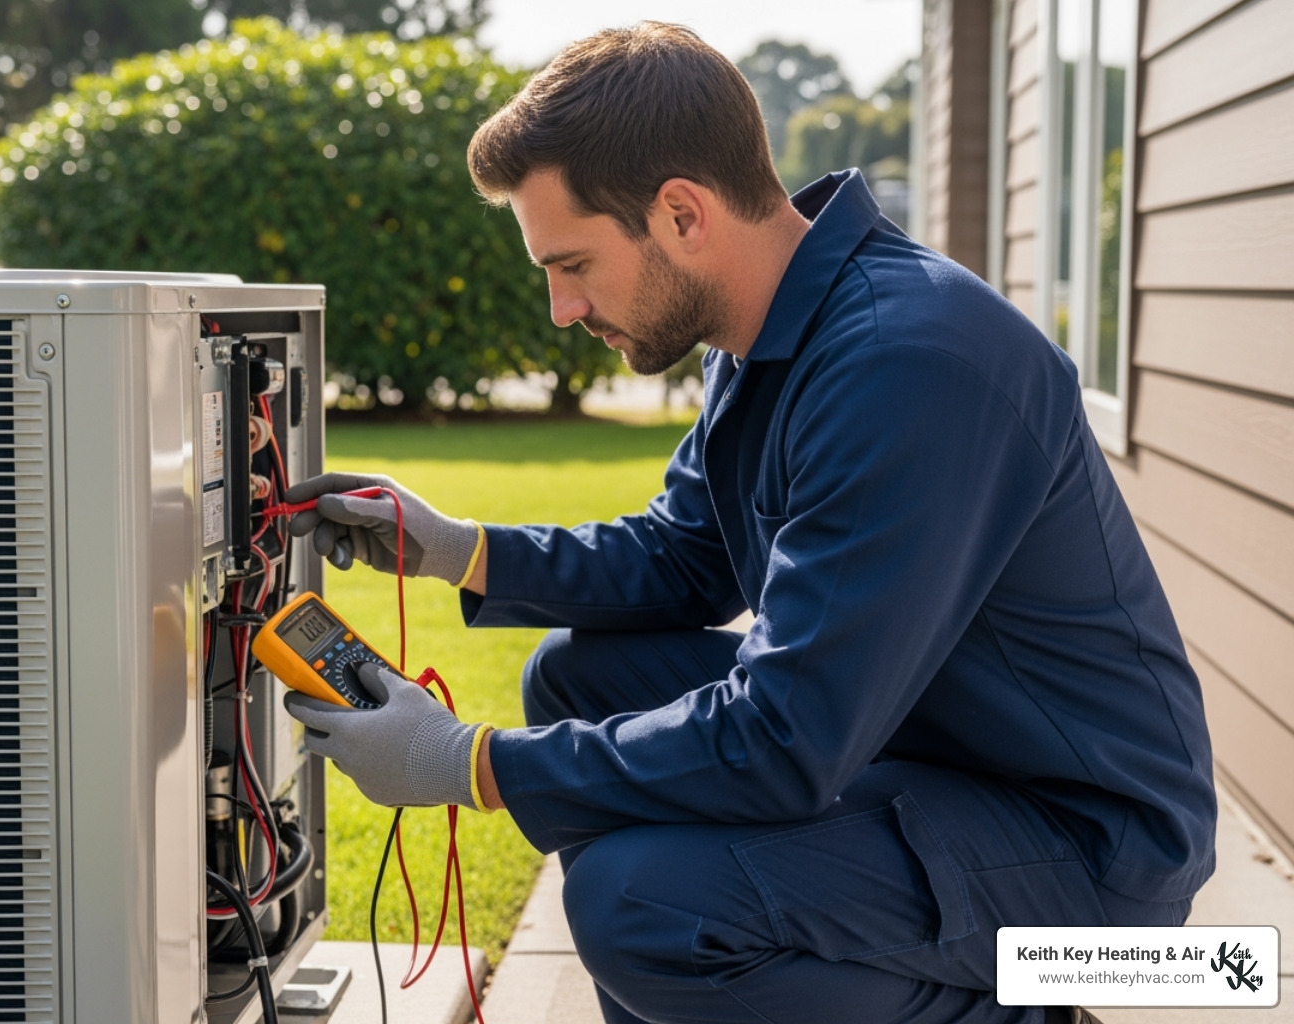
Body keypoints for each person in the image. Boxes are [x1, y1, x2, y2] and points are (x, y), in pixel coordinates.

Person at [279, 22, 1215, 1024]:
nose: (559, 307)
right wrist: (455, 549)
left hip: (1088, 862)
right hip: (926, 747)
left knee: (639, 904)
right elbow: (686, 559)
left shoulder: (911, 364)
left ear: (682, 213)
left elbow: (786, 737)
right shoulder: (770, 331)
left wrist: (465, 762)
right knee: (576, 677)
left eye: (574, 263)